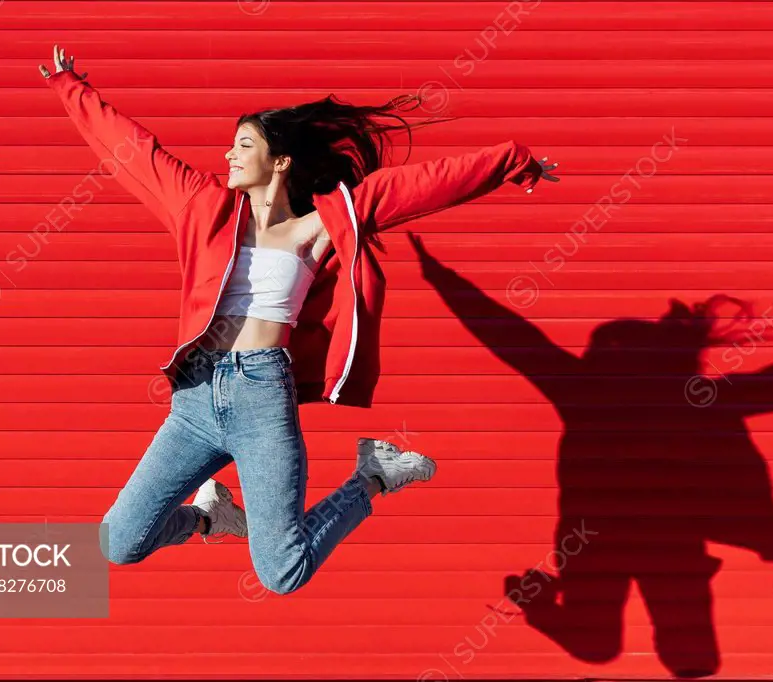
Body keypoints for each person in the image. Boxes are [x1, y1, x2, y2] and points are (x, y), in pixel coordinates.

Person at [39, 44, 559, 594]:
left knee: (282, 574)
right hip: (194, 400)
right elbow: (134, 150)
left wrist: (509, 161)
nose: (231, 155)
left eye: (245, 145)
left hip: (262, 398)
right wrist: (71, 87)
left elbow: (418, 186)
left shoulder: (319, 225)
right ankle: (212, 519)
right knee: (119, 542)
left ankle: (375, 477)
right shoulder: (201, 206)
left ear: (279, 160)